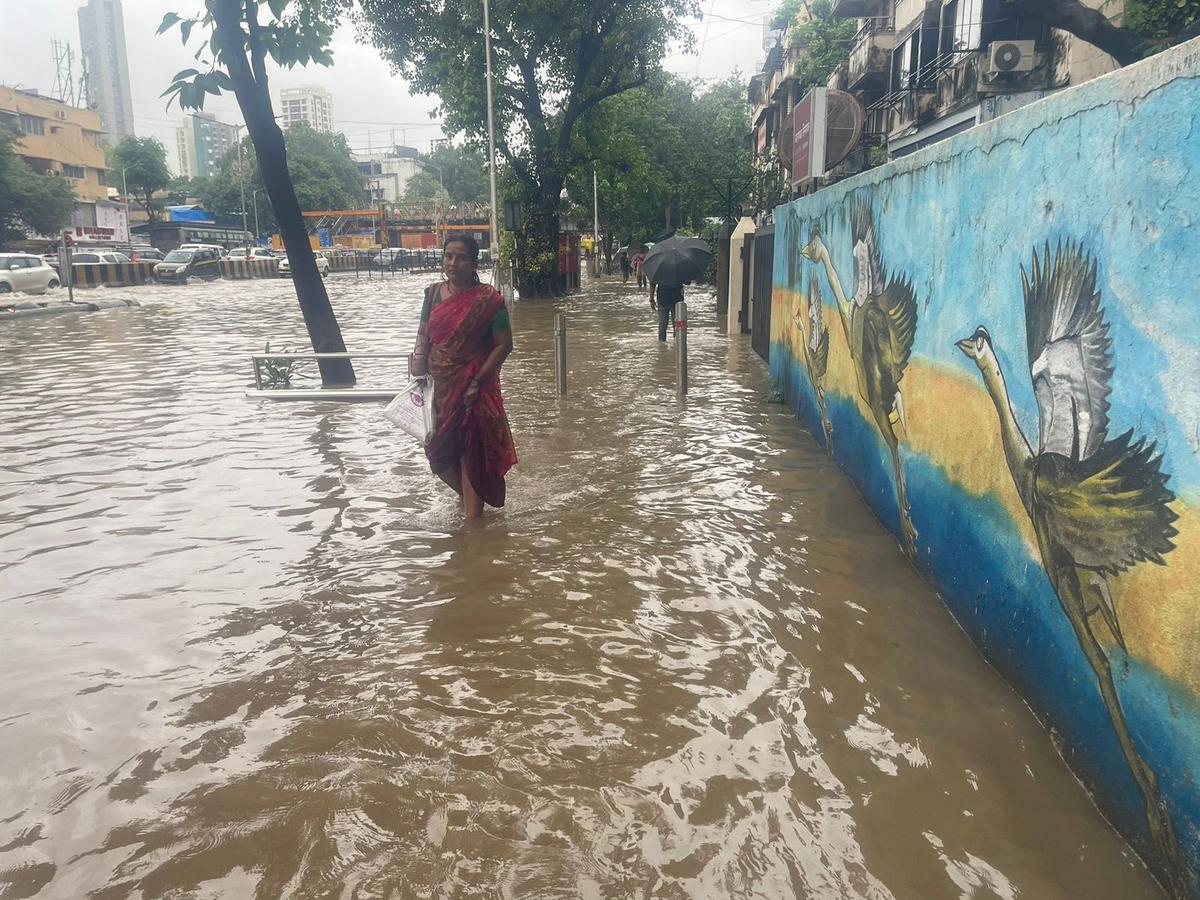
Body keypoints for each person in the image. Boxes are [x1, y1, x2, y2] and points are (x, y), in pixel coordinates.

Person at [411, 235, 517, 519]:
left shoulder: (489, 301)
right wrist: (417, 362)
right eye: (448, 256)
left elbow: (504, 345)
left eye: (461, 258)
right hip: (438, 389)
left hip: (475, 389)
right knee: (438, 455)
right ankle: (473, 501)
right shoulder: (432, 294)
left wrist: (477, 380)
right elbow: (423, 334)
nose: (453, 263)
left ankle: (473, 532)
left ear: (473, 263)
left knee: (470, 453)